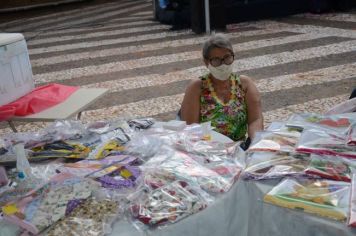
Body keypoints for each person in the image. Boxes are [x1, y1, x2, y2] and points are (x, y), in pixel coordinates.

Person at [180, 33, 263, 145]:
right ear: (206, 62)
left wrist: (255, 143)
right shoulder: (197, 87)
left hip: (238, 148)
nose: (223, 65)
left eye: (227, 58)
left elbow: (255, 120)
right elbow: (191, 128)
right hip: (207, 150)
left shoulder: (244, 84)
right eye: (216, 60)